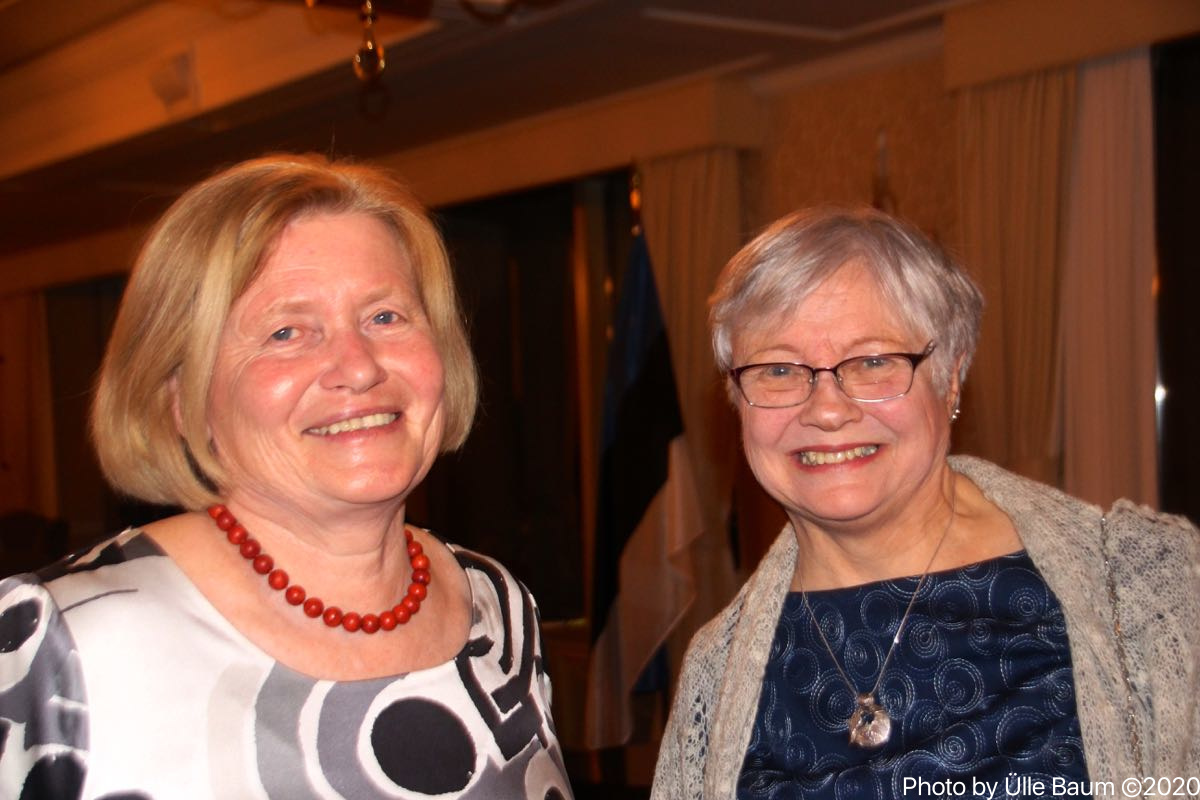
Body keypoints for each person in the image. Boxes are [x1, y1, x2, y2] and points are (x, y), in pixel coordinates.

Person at [0, 154, 573, 799]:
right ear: (181, 399)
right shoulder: (54, 645)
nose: (359, 367)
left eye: (385, 317)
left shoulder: (498, 608)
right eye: (286, 332)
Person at [651, 207, 1199, 799]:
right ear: (737, 397)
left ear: (951, 377)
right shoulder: (715, 670)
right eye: (779, 369)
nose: (827, 410)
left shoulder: (1143, 588)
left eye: (874, 362)